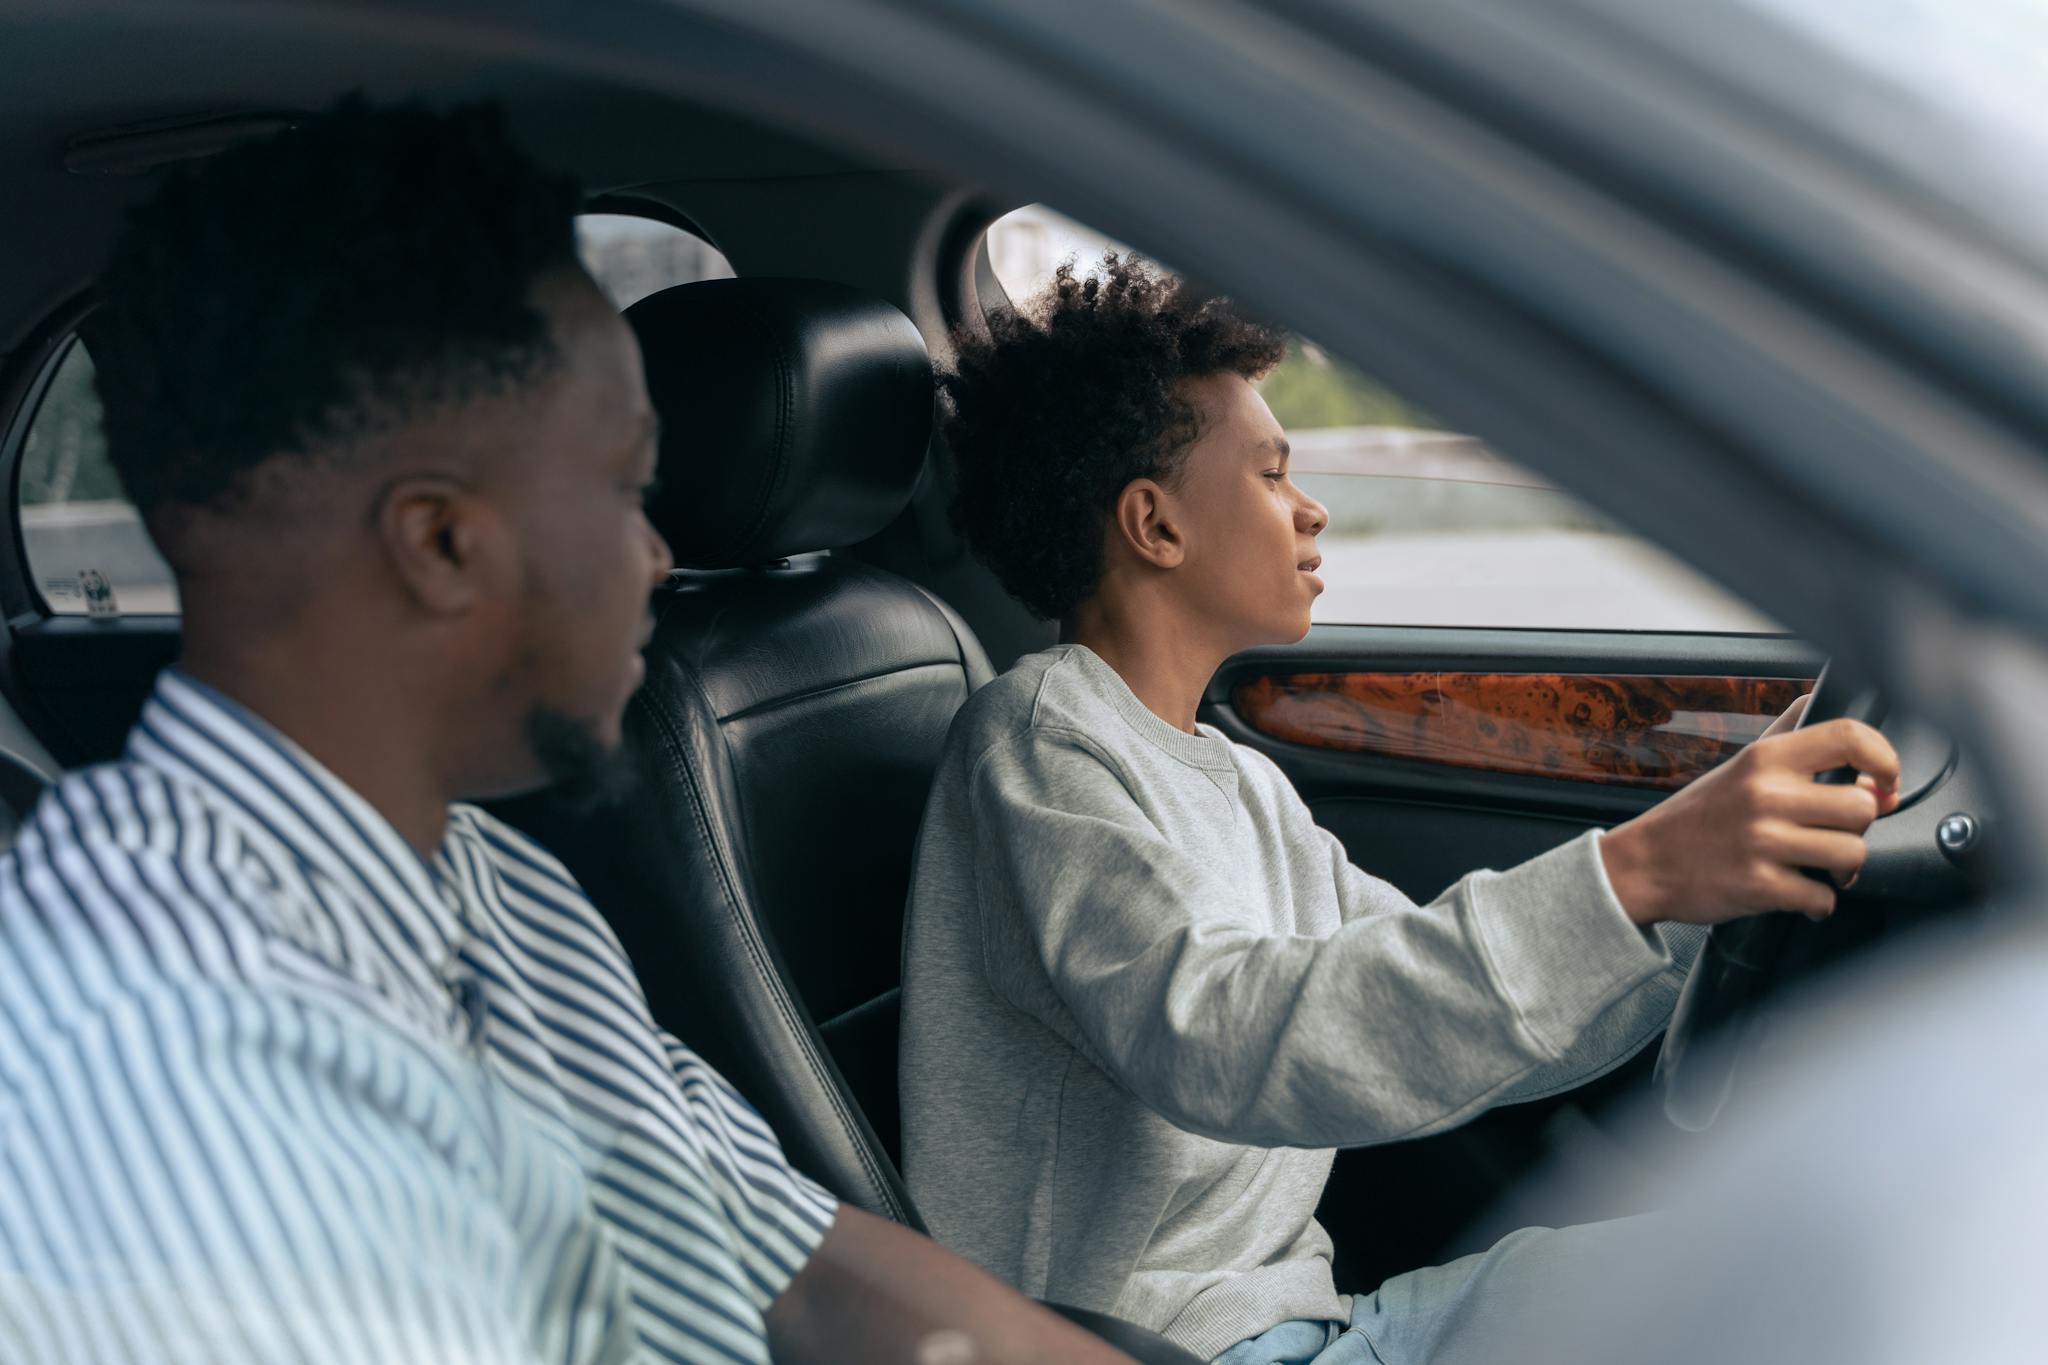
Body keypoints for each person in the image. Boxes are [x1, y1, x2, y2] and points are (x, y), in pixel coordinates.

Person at [0, 101, 1140, 1365]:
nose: (658, 553)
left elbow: (803, 1271)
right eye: (622, 487)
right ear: (441, 544)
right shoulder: (151, 1035)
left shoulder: (490, 885)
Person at [898, 254, 1903, 1365]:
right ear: (1155, 525)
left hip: (1310, 1326)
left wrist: (1678, 916)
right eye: (1272, 475)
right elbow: (1224, 1038)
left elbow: (1421, 1012)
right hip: (1157, 1348)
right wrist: (1638, 874)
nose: (1310, 507)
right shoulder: (1041, 741)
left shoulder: (1235, 779)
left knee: (1791, 1259)